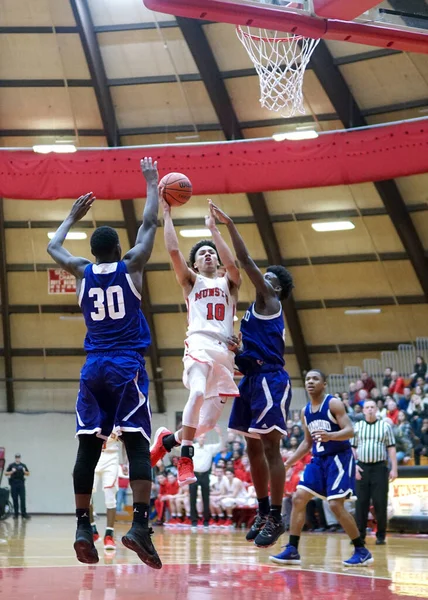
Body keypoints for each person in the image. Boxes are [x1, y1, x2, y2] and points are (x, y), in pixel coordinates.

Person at [47, 157, 161, 568]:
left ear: (94, 252)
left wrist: (71, 216)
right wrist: (151, 182)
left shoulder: (81, 272)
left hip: (92, 369)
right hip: (125, 366)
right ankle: (141, 527)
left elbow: (53, 246)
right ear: (118, 249)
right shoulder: (131, 266)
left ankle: (82, 526)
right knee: (137, 444)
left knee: (86, 449)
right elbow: (149, 224)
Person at [208, 202, 293, 548]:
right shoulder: (254, 314)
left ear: (277, 289)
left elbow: (244, 263)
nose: (263, 280)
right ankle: (261, 511)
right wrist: (235, 351)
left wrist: (228, 225)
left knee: (271, 449)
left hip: (272, 381)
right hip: (252, 379)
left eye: (269, 279)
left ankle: (276, 516)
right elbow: (249, 360)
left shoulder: (271, 302)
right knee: (252, 450)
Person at [150, 199, 241, 486]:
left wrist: (214, 231)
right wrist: (166, 214)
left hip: (224, 354)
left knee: (208, 424)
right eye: (202, 254)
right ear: (195, 264)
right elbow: (174, 251)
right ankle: (184, 459)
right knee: (198, 391)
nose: (208, 256)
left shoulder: (230, 284)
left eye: (211, 253)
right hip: (199, 344)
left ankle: (167, 441)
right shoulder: (192, 283)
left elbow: (233, 264)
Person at [270, 370, 373, 567]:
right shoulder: (305, 411)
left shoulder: (333, 403)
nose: (310, 381)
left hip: (339, 459)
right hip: (318, 460)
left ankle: (361, 550)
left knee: (335, 505)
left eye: (315, 378)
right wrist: (287, 463)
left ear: (324, 384)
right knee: (298, 498)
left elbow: (350, 431)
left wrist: (330, 436)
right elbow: (307, 443)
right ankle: (292, 549)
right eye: (307, 378)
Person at [352, 399, 397, 545]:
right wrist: (354, 466)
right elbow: (352, 448)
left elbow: (391, 448)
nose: (370, 409)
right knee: (361, 503)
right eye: (367, 407)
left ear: (376, 409)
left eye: (372, 407)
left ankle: (381, 535)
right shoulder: (357, 426)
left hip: (379, 468)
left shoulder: (385, 426)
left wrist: (394, 468)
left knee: (380, 502)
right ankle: (359, 536)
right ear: (363, 410)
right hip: (362, 468)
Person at [90, 434, 121, 550]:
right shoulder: (92, 416)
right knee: (86, 494)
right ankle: (93, 531)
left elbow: (125, 440)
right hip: (93, 455)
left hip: (111, 457)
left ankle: (109, 535)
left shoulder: (118, 418)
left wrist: (126, 461)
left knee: (110, 496)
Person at [5, 454, 30, 520]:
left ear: (20, 458)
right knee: (15, 499)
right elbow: (6, 473)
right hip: (13, 484)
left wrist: (24, 471)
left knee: (22, 499)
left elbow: (28, 474)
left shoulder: (23, 465)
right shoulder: (11, 465)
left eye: (18, 457)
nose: (17, 459)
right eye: (16, 457)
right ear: (15, 458)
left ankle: (23, 514)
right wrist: (12, 471)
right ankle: (16, 514)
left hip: (21, 484)